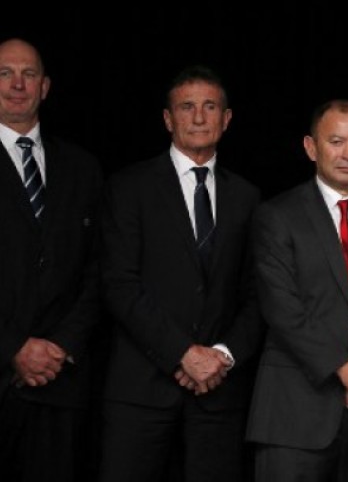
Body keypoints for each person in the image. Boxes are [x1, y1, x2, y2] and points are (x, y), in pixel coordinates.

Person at [98, 65, 262, 482]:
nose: (199, 117)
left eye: (210, 107)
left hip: (218, 394)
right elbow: (119, 284)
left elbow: (257, 295)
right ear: (168, 119)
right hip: (141, 392)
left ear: (227, 118)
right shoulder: (129, 187)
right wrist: (183, 353)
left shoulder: (248, 197)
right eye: (187, 107)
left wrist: (222, 356)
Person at [246, 99, 348, 481]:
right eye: (336, 141)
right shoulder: (277, 215)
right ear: (311, 147)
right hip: (295, 416)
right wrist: (343, 367)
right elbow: (281, 308)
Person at [0, 38, 105, 481]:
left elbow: (99, 271)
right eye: (5, 73)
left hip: (60, 385)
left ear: (44, 87)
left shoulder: (83, 168)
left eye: (29, 74)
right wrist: (12, 348)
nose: (17, 84)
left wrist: (61, 346)